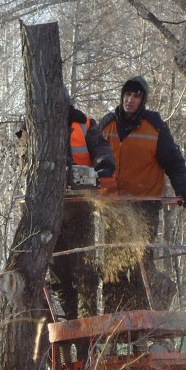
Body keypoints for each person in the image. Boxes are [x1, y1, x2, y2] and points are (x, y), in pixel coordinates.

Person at [99, 76, 186, 312]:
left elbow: (173, 161)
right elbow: (92, 158)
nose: (130, 100)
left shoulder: (154, 126)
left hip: (144, 207)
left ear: (143, 100)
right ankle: (115, 316)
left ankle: (145, 316)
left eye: (136, 96)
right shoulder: (107, 123)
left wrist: (184, 188)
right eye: (127, 95)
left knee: (141, 261)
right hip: (113, 207)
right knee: (112, 262)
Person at [49, 105, 115, 330]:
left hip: (80, 208)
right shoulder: (36, 124)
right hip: (49, 211)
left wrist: (104, 166)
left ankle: (88, 329)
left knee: (84, 268)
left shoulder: (84, 124)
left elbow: (101, 147)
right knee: (59, 273)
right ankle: (67, 324)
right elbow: (24, 157)